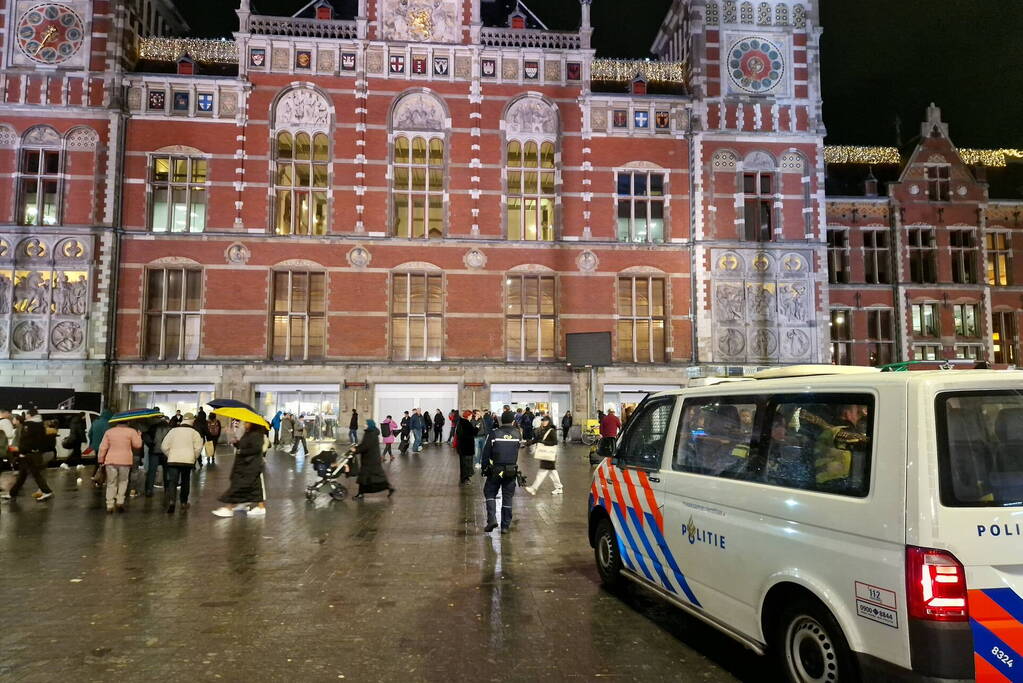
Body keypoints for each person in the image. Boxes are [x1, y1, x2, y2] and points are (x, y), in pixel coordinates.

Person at [213, 422, 268, 517]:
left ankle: (228, 508)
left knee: (238, 486)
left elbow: (255, 449)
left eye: (247, 422)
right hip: (246, 465)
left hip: (249, 466)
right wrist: (233, 439)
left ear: (253, 424)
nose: (244, 424)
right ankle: (259, 506)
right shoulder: (249, 433)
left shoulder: (256, 435)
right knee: (254, 487)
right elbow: (242, 445)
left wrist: (241, 451)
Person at [481, 412, 522, 534]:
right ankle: (505, 526)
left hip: (496, 470)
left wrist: (484, 468)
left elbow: (486, 453)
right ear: (513, 421)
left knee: (489, 492)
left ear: (500, 421)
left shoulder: (494, 433)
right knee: (508, 497)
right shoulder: (517, 434)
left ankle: (492, 519)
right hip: (511, 471)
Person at [2, 409, 54, 502]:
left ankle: (47, 491)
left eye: (26, 414)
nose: (25, 416)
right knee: (23, 475)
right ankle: (12, 493)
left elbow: (26, 440)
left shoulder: (29, 425)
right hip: (35, 453)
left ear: (30, 415)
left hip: (29, 454)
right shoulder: (40, 424)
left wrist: (21, 451)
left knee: (35, 474)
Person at [161, 413, 203, 513]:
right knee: (185, 481)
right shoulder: (194, 433)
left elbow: (164, 446)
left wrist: (170, 455)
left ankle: (172, 502)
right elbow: (198, 448)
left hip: (173, 460)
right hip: (187, 461)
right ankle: (183, 502)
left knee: (173, 482)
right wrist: (193, 457)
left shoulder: (173, 431)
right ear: (192, 421)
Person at [98, 419, 142, 512]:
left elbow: (103, 447)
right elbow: (137, 445)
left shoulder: (109, 432)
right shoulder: (131, 431)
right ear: (128, 422)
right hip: (125, 461)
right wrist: (139, 436)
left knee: (111, 482)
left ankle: (109, 504)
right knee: (123, 481)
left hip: (110, 461)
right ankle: (120, 501)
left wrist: (101, 459)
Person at [351, 419, 395, 499]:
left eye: (366, 424)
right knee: (369, 477)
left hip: (371, 461)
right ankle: (388, 487)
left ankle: (361, 494)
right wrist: (357, 448)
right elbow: (364, 444)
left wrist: (356, 450)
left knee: (372, 477)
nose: (364, 425)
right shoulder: (370, 432)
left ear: (370, 425)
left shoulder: (371, 434)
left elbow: (366, 446)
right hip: (370, 460)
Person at [524, 415, 563, 495]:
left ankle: (533, 488)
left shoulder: (551, 430)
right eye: (543, 421)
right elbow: (537, 439)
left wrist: (544, 442)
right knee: (553, 472)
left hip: (548, 455)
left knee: (542, 473)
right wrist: (527, 443)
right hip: (546, 455)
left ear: (549, 422)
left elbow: (555, 442)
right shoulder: (543, 430)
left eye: (545, 421)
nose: (544, 422)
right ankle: (559, 487)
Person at [143, 415, 171, 497]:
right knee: (167, 471)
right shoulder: (169, 427)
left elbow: (146, 437)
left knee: (152, 471)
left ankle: (149, 490)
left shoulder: (152, 427)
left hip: (154, 452)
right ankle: (167, 489)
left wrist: (151, 445)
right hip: (166, 453)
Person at [455, 410, 477, 484]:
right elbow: (473, 433)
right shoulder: (466, 424)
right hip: (466, 447)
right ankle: (465, 479)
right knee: (466, 464)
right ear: (467, 416)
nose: (471, 417)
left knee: (463, 464)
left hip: (462, 447)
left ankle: (463, 478)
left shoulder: (461, 423)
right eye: (470, 416)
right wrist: (476, 428)